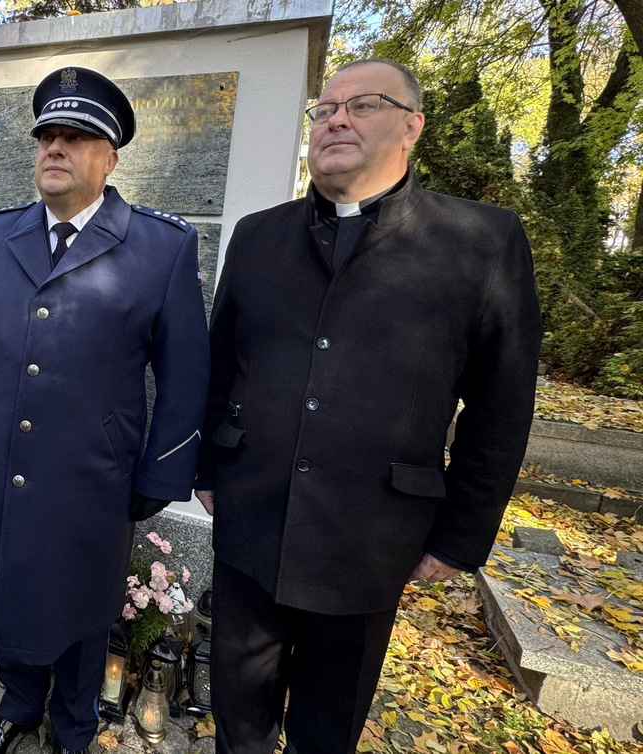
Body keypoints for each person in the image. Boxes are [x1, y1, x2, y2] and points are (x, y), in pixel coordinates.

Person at [195, 58, 543, 753]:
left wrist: (458, 537)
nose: (337, 120)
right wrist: (208, 467)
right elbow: (222, 363)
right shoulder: (259, 234)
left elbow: (502, 407)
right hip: (251, 524)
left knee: (327, 732)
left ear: (412, 125)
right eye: (323, 110)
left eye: (362, 105)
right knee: (238, 722)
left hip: (370, 540)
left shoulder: (481, 241)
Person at [0, 66, 210, 754]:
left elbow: (185, 373)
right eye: (46, 137)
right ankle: (19, 703)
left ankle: (73, 722)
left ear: (110, 157)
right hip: (5, 458)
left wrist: (161, 475)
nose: (55, 149)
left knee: (80, 605)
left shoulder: (160, 246)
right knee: (9, 583)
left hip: (91, 471)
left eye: (76, 137)